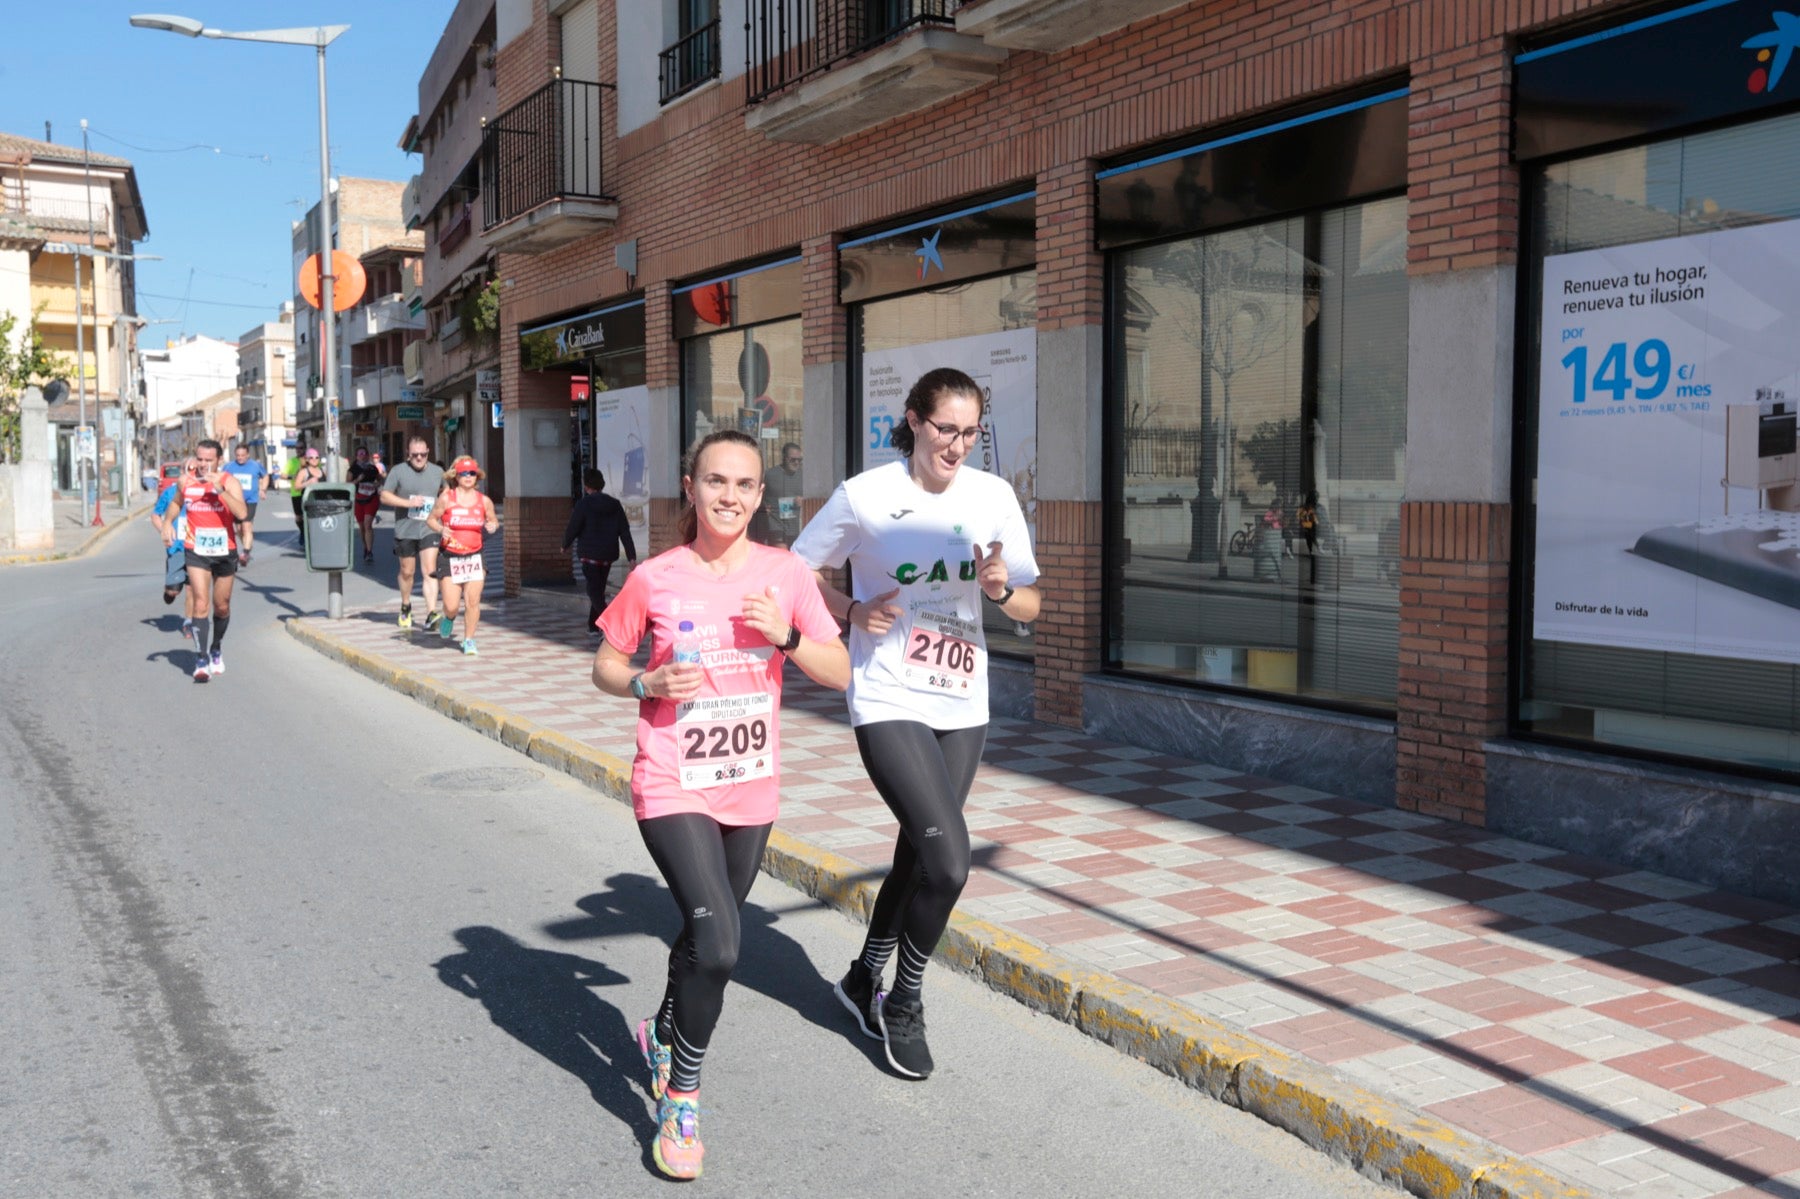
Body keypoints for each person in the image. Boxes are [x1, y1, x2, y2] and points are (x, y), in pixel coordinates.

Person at [590, 428, 848, 1180]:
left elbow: (837, 670)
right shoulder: (656, 575)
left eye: (744, 484)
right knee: (725, 943)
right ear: (691, 489)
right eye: (715, 482)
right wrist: (645, 683)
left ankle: (662, 1027)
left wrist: (789, 634)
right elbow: (607, 661)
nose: (729, 496)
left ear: (760, 496)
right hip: (672, 779)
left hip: (750, 786)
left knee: (708, 938)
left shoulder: (785, 572)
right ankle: (683, 1094)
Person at [790, 366, 1041, 1080]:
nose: (958, 444)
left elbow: (1031, 604)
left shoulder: (992, 497)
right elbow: (795, 572)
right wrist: (848, 612)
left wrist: (999, 589)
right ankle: (903, 997)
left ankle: (859, 977)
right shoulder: (866, 496)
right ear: (914, 421)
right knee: (950, 861)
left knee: (918, 849)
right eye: (945, 429)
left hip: (962, 700)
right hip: (887, 692)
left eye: (970, 432)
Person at [179, 439, 250, 682]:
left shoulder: (230, 482)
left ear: (219, 460)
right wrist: (167, 523)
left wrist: (218, 488)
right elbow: (177, 502)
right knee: (200, 603)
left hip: (225, 551)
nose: (203, 464)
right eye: (200, 459)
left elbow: (241, 513)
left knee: (222, 605)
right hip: (196, 551)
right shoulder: (187, 481)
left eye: (209, 460)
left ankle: (216, 648)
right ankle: (200, 659)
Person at [426, 455, 499, 655]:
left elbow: (493, 521)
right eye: (464, 473)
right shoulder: (446, 498)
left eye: (472, 473)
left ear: (477, 476)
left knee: (473, 601)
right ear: (456, 476)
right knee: (451, 605)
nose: (468, 477)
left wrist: (492, 526)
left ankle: (468, 640)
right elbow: (431, 519)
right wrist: (441, 529)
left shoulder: (484, 501)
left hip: (475, 556)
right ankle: (448, 617)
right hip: (450, 556)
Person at [562, 467, 638, 637]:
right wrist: (631, 556)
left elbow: (573, 527)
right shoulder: (614, 504)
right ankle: (593, 626)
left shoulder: (583, 504)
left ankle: (610, 623)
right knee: (598, 589)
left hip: (589, 555)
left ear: (586, 485)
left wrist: (565, 544)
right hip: (607, 555)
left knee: (593, 591)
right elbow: (624, 531)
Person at [380, 437, 446, 631]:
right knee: (407, 572)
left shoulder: (437, 471)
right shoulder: (398, 471)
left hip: (429, 528)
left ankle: (431, 613)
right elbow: (385, 495)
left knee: (430, 571)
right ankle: (406, 605)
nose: (419, 458)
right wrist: (408, 503)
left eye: (423, 454)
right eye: (415, 455)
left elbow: (448, 491)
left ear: (428, 452)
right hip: (405, 529)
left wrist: (442, 505)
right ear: (408, 454)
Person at [150, 466, 190, 617]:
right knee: (174, 590)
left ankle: (190, 622)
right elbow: (155, 515)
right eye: (188, 470)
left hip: (198, 548)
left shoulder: (205, 491)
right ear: (182, 473)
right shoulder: (169, 492)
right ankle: (170, 590)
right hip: (177, 547)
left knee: (193, 589)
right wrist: (165, 532)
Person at [224, 443, 268, 566]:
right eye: (238, 455)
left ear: (247, 454)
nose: (240, 458)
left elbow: (265, 476)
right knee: (238, 529)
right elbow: (221, 479)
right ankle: (248, 545)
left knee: (246, 526)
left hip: (250, 501)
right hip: (235, 501)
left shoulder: (255, 465)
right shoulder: (229, 467)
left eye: (243, 455)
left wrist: (262, 489)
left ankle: (245, 552)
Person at [760, 441, 803, 546]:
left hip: (796, 528)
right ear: (784, 458)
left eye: (799, 460)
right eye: (793, 460)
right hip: (776, 528)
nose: (796, 463)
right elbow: (757, 495)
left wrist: (803, 500)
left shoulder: (803, 476)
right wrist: (764, 506)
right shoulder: (770, 475)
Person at [348, 446, 384, 564]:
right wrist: (358, 480)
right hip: (358, 500)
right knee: (362, 527)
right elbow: (348, 485)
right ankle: (365, 547)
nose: (362, 456)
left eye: (364, 454)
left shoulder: (372, 468)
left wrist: (376, 485)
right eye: (360, 454)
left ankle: (369, 551)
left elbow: (380, 480)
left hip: (371, 498)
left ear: (367, 455)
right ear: (357, 456)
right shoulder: (352, 470)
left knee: (368, 525)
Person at [290, 448, 326, 555]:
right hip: (308, 502)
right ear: (307, 459)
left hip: (322, 501)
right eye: (311, 458)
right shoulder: (303, 472)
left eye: (316, 457)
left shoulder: (322, 470)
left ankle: (319, 545)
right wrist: (309, 482)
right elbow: (296, 486)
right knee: (310, 524)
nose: (314, 460)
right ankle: (309, 544)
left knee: (320, 524)